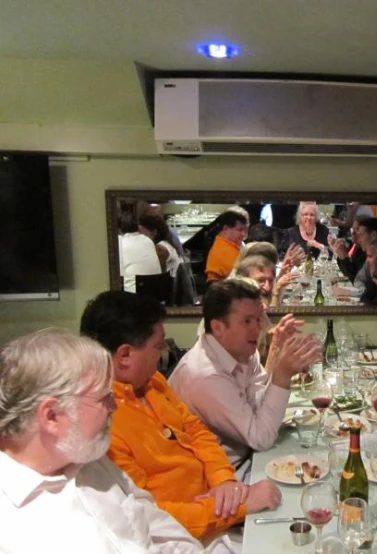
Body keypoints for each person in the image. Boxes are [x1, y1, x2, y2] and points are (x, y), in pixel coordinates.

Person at [0, 329, 234, 553]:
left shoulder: (89, 459)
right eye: (104, 398)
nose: (114, 407)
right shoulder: (11, 529)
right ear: (52, 416)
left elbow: (163, 531)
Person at [80, 290, 282, 544]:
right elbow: (150, 514)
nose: (164, 350)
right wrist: (237, 507)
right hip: (192, 536)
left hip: (220, 503)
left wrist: (225, 481)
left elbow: (196, 431)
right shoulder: (101, 423)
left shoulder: (151, 381)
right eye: (158, 345)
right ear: (124, 356)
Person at [169, 279, 322, 480]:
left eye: (258, 319)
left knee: (318, 454)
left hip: (249, 458)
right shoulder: (206, 376)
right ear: (218, 327)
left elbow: (258, 404)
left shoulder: (241, 352)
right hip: (220, 478)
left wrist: (277, 354)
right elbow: (261, 438)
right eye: (247, 321)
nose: (257, 328)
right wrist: (283, 374)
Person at [118, 211, 161, 293]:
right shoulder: (148, 240)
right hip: (155, 293)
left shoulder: (120, 242)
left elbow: (117, 274)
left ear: (119, 229)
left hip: (132, 295)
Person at [205, 207, 249, 283]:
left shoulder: (237, 243)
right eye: (240, 230)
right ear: (226, 229)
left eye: (245, 230)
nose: (243, 234)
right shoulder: (219, 251)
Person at [138, 213, 184, 277]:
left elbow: (153, 271)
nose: (141, 237)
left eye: (144, 234)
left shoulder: (160, 249)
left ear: (154, 232)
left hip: (172, 284)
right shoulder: (166, 243)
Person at [330, 215, 369, 283]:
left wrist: (344, 257)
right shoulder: (356, 247)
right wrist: (340, 254)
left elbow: (356, 281)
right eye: (352, 230)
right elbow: (347, 273)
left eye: (357, 230)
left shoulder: (367, 252)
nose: (353, 233)